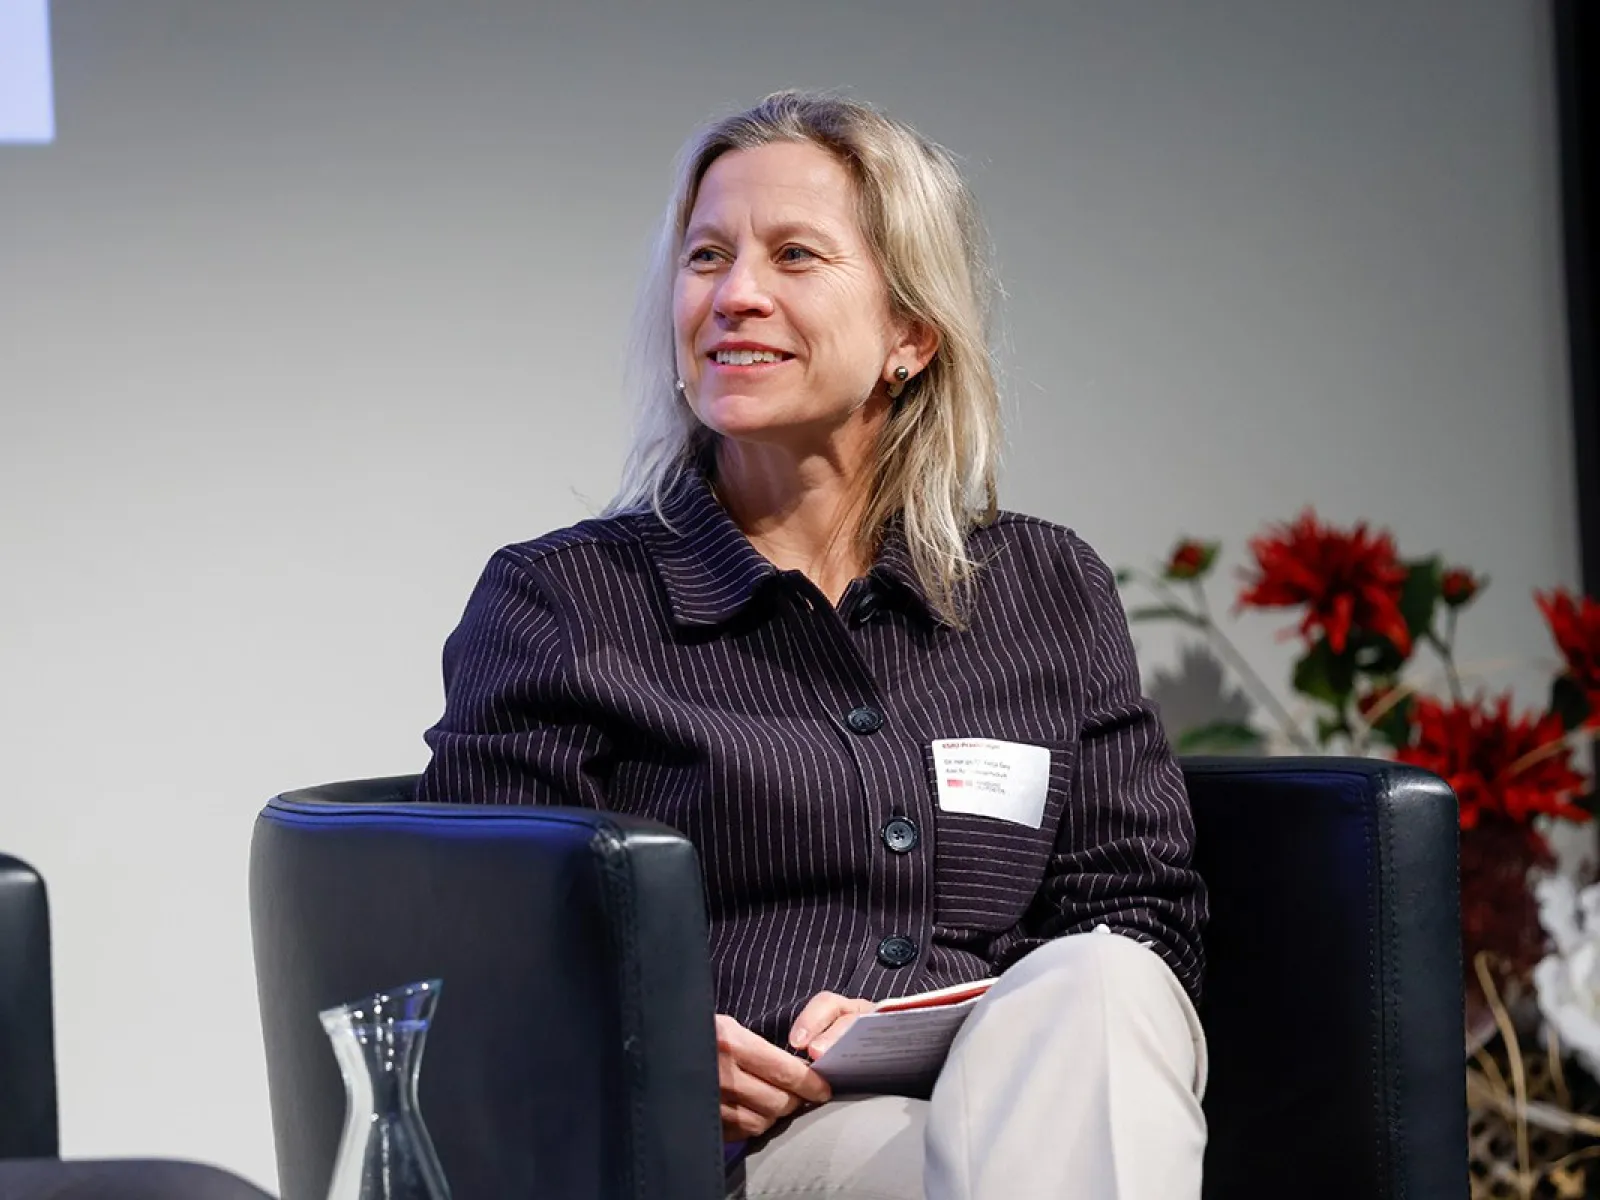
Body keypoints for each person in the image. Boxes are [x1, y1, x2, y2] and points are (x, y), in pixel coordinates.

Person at [417, 89, 1208, 1200]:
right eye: (706, 258)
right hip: (749, 1152)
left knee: (1105, 983)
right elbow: (488, 951)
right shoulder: (564, 603)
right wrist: (665, 1046)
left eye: (795, 256)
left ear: (909, 333)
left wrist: (948, 1027)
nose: (736, 296)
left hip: (1017, 1101)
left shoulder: (1044, 589)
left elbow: (1144, 920)